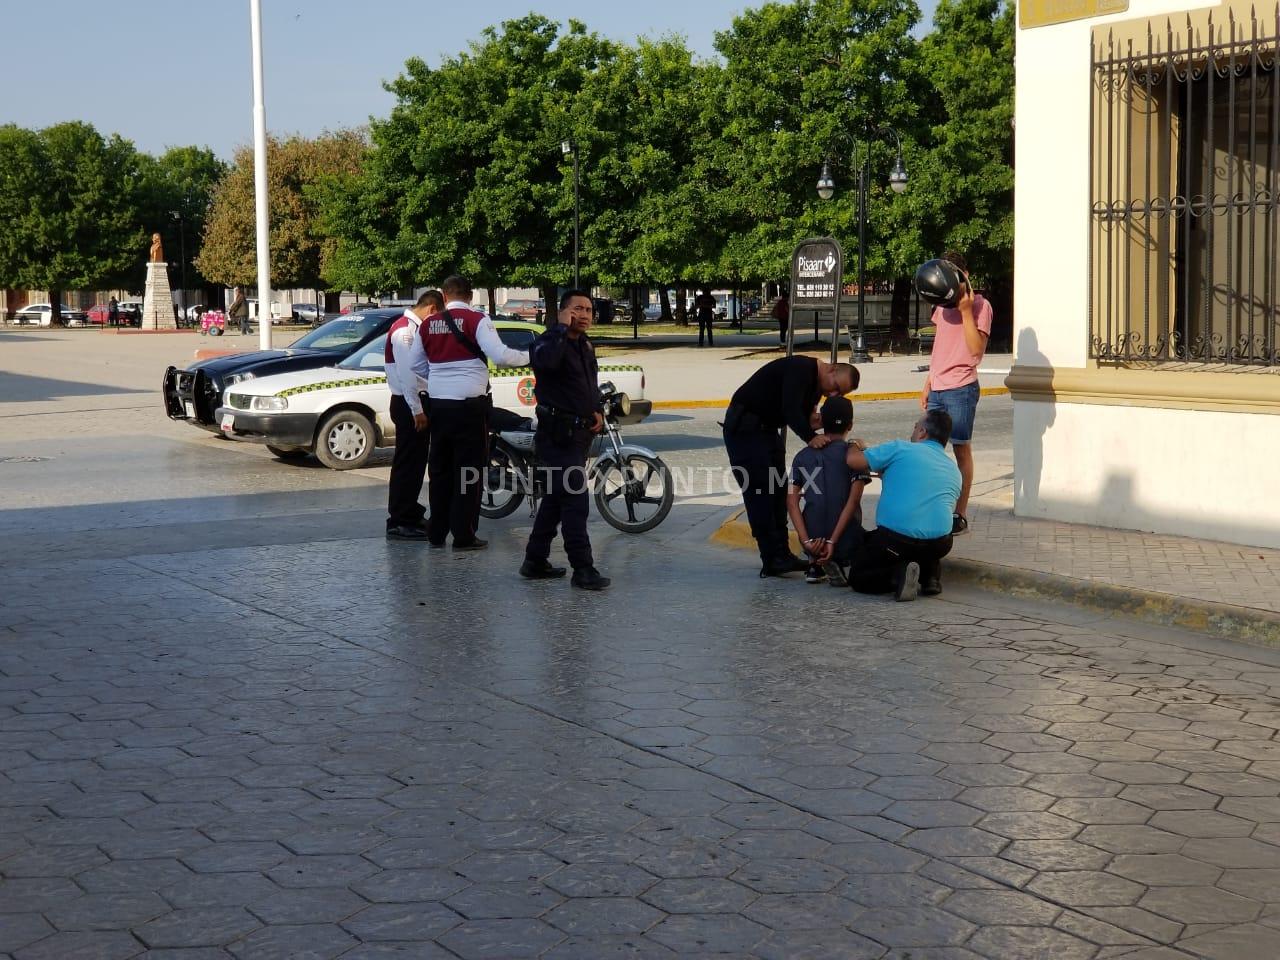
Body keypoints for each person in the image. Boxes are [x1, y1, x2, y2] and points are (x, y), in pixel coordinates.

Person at [723, 356, 859, 577]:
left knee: (778, 492)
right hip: (745, 430)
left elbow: (801, 415)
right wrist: (809, 436)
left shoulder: (816, 387)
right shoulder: (801, 369)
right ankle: (771, 558)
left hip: (766, 431)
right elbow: (790, 408)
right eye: (835, 387)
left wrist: (813, 422)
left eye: (839, 394)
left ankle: (782, 555)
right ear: (831, 369)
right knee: (760, 493)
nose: (832, 395)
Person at [421, 275, 529, 550]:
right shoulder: (477, 320)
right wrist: (532, 355)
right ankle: (463, 535)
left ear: (444, 297)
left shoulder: (427, 324)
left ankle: (436, 533)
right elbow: (502, 356)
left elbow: (414, 364)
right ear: (470, 296)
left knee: (440, 471)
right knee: (469, 472)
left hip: (439, 407)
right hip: (469, 409)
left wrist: (437, 381)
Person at [519, 289, 610, 591]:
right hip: (556, 436)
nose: (584, 315)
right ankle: (583, 568)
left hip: (579, 434)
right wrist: (559, 328)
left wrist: (596, 409)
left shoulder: (585, 345)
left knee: (556, 500)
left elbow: (588, 384)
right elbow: (546, 364)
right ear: (562, 312)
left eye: (589, 310)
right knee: (575, 500)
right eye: (577, 309)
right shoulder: (547, 341)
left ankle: (534, 560)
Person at [844, 410, 962, 601]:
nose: (913, 431)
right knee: (927, 531)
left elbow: (854, 461)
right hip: (940, 544)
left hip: (895, 541)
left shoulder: (900, 449)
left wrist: (854, 444)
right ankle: (930, 577)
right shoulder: (953, 469)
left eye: (915, 426)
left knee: (859, 576)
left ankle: (897, 576)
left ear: (922, 432)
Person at [920, 250, 992, 536]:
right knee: (928, 451)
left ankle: (959, 514)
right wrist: (928, 382)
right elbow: (941, 346)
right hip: (938, 387)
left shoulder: (980, 306)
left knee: (961, 450)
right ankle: (933, 508)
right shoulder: (940, 306)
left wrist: (965, 311)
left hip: (961, 388)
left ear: (964, 276)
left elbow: (976, 351)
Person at [787, 396, 870, 586]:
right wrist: (832, 542)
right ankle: (843, 561)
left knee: (815, 510)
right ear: (850, 425)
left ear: (822, 422)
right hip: (844, 539)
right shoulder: (854, 456)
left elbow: (791, 502)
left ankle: (814, 563)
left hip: (812, 538)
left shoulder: (802, 457)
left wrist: (806, 541)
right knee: (873, 540)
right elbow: (853, 502)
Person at [385, 289, 442, 540]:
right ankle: (400, 520)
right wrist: (417, 410)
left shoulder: (410, 327)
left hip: (413, 403)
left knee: (416, 462)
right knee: (407, 464)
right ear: (431, 309)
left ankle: (410, 512)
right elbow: (407, 376)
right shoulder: (404, 331)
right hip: (409, 404)